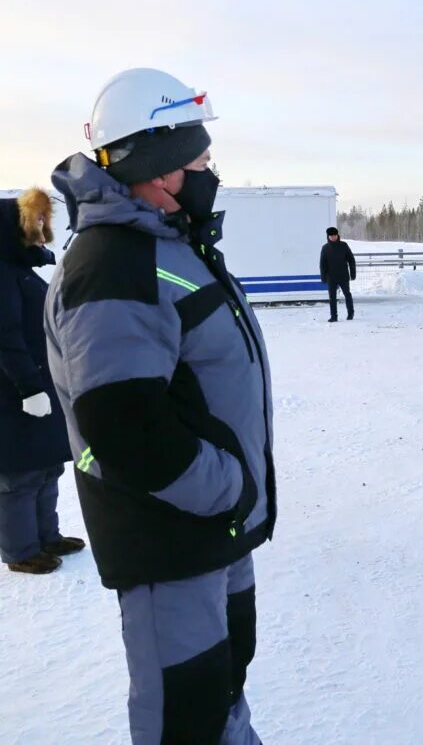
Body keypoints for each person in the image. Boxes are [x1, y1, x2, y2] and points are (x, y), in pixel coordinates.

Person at [45, 68, 275, 744]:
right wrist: (227, 487)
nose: (210, 172)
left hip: (212, 536)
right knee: (185, 718)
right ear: (158, 167)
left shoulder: (166, 246)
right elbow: (124, 428)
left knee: (223, 693)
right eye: (200, 160)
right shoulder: (112, 264)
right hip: (173, 541)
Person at [0, 188, 82, 575]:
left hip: (39, 382)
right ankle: (20, 550)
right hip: (14, 392)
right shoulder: (2, 274)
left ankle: (46, 536)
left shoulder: (19, 270)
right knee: (19, 475)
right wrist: (28, 389)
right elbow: (6, 335)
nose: (40, 229)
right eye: (33, 223)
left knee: (47, 466)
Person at [320, 226, 356, 322]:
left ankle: (350, 313)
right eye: (331, 236)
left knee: (347, 294)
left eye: (334, 235)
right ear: (328, 237)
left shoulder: (344, 246)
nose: (333, 237)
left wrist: (353, 273)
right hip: (331, 277)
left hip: (343, 275)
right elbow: (322, 264)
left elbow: (351, 260)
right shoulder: (325, 248)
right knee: (332, 297)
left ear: (337, 235)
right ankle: (334, 316)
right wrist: (323, 276)